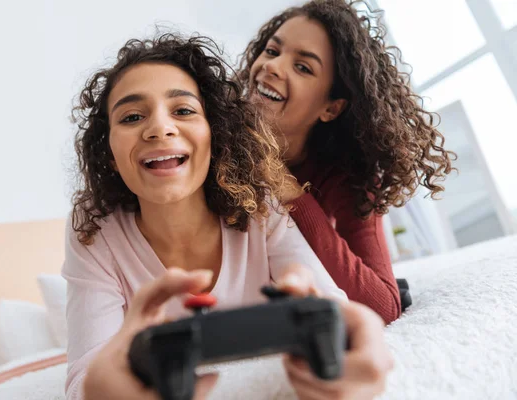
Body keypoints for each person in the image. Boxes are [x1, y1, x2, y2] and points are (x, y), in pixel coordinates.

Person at [63, 33, 391, 400]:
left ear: (213, 134)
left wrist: (353, 334)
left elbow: (334, 311)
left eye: (184, 111)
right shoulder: (93, 227)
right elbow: (85, 377)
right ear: (109, 152)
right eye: (132, 116)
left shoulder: (261, 207)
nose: (159, 128)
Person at [237, 0, 456, 324]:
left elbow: (383, 305)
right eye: (272, 51)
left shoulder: (347, 174)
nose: (273, 66)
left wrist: (289, 189)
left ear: (331, 108)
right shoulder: (211, 135)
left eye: (303, 67)